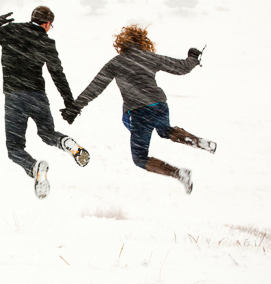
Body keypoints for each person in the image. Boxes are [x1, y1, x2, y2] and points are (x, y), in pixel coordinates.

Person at [61, 23, 216, 194]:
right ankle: (197, 141)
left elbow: (95, 87)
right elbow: (180, 68)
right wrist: (193, 58)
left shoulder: (116, 63)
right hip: (159, 104)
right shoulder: (149, 57)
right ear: (143, 41)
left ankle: (179, 173)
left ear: (121, 43)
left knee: (140, 157)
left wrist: (75, 107)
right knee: (165, 131)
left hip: (139, 109)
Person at [0, 6, 89, 199]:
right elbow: (58, 74)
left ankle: (34, 167)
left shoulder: (12, 31)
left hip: (14, 97)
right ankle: (66, 142)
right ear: (47, 24)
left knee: (14, 148)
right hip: (37, 96)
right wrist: (69, 103)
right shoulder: (46, 42)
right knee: (48, 133)